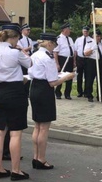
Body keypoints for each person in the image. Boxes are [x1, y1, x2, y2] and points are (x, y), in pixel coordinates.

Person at [0, 24, 32, 180]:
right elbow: (30, 63)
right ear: (14, 38)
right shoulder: (15, 53)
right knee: (15, 133)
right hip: (15, 93)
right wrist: (21, 50)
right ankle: (15, 170)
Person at [28, 33, 75, 170]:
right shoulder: (47, 58)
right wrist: (67, 77)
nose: (55, 48)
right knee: (44, 128)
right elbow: (52, 82)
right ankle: (41, 159)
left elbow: (32, 73)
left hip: (34, 87)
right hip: (44, 90)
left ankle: (35, 156)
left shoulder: (35, 55)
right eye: (54, 44)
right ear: (49, 43)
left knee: (37, 126)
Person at [84, 28, 102, 102]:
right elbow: (85, 53)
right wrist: (92, 49)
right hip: (92, 62)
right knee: (90, 79)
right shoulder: (90, 42)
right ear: (93, 36)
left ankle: (100, 95)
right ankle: (89, 95)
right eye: (97, 36)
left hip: (101, 62)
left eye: (99, 36)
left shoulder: (101, 44)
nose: (98, 38)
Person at [53, 22, 75, 99]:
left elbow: (73, 50)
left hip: (70, 59)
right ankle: (58, 93)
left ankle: (67, 94)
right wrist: (57, 64)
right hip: (62, 58)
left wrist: (74, 61)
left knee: (70, 77)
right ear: (64, 30)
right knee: (61, 76)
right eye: (69, 29)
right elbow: (55, 52)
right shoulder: (58, 39)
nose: (70, 31)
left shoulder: (70, 39)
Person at [74, 25, 91, 97]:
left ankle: (86, 92)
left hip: (88, 59)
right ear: (82, 31)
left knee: (87, 76)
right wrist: (74, 60)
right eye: (84, 31)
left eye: (87, 31)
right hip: (80, 59)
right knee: (79, 76)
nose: (85, 33)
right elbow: (75, 51)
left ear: (88, 32)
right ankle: (79, 91)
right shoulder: (78, 40)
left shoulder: (91, 40)